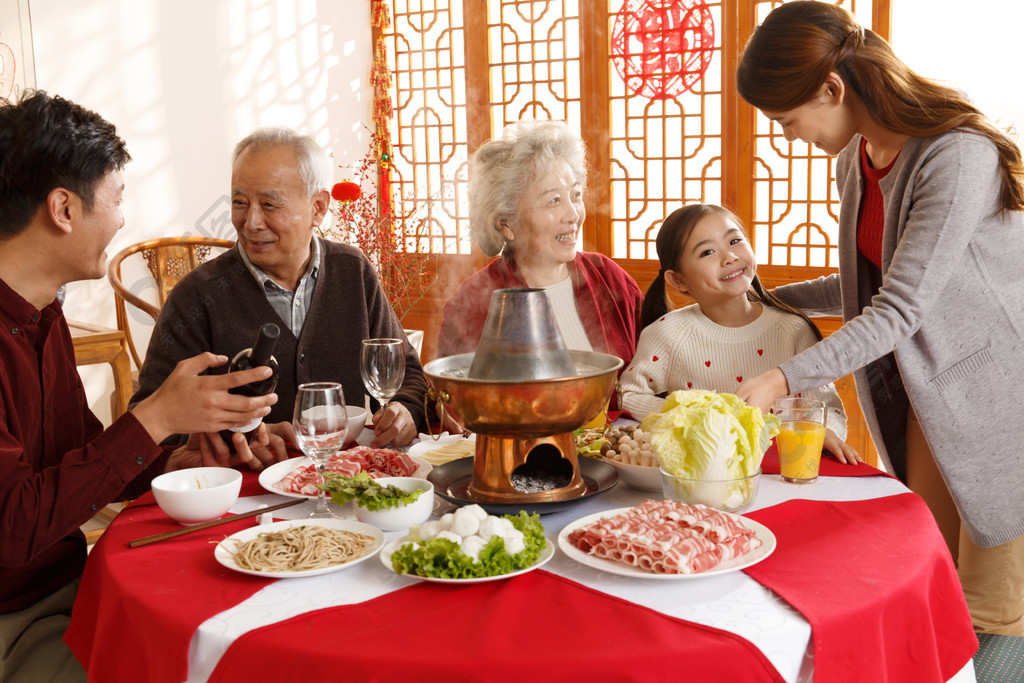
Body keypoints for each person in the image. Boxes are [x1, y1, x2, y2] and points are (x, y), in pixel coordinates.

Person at [734, 0, 1024, 635]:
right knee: (932, 579)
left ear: (831, 88)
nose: (789, 137)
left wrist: (783, 379)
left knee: (993, 611)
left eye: (787, 120)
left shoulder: (956, 156)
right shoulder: (857, 161)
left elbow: (899, 306)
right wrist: (769, 297)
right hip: (932, 394)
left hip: (994, 396)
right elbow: (865, 283)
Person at [0, 91, 278, 682]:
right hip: (15, 618)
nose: (123, 219)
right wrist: (154, 417)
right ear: (63, 209)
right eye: (116, 199)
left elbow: (83, 460)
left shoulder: (44, 316)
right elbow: (11, 530)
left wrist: (184, 452)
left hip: (71, 583)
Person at [133, 127, 428, 451]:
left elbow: (407, 374)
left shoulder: (352, 270)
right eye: (240, 202)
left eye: (269, 205)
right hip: (245, 491)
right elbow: (147, 425)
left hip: (348, 479)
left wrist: (405, 410)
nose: (251, 222)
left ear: (318, 208)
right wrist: (235, 440)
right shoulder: (199, 295)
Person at [619, 204, 859, 464]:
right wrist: (687, 413)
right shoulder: (667, 333)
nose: (730, 256)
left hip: (785, 468)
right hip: (703, 472)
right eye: (707, 251)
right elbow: (628, 395)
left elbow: (824, 405)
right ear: (679, 280)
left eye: (735, 240)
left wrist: (823, 431)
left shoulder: (792, 329)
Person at [437, 120, 642, 376]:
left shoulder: (610, 278)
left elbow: (652, 376)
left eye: (575, 195)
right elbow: (454, 403)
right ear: (506, 223)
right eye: (553, 200)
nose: (573, 214)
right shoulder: (471, 304)